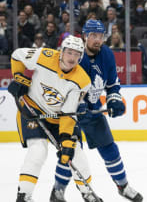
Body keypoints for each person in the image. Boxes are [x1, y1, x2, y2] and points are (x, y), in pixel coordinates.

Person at [50, 19, 143, 202]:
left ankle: (122, 186)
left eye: (101, 36)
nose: (97, 40)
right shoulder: (75, 54)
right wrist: (76, 103)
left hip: (92, 110)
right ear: (85, 36)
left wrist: (114, 100)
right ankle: (58, 190)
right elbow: (61, 82)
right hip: (69, 114)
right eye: (93, 35)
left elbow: (112, 84)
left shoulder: (107, 54)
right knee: (70, 152)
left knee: (110, 148)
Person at [7, 35, 98, 202]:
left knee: (76, 152)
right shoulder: (44, 56)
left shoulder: (82, 80)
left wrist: (65, 140)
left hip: (59, 118)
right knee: (38, 150)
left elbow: (68, 112)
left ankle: (87, 192)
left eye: (77, 54)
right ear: (61, 52)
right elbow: (17, 55)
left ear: (81, 57)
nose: (72, 58)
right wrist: (19, 78)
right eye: (69, 52)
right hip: (32, 109)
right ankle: (24, 196)